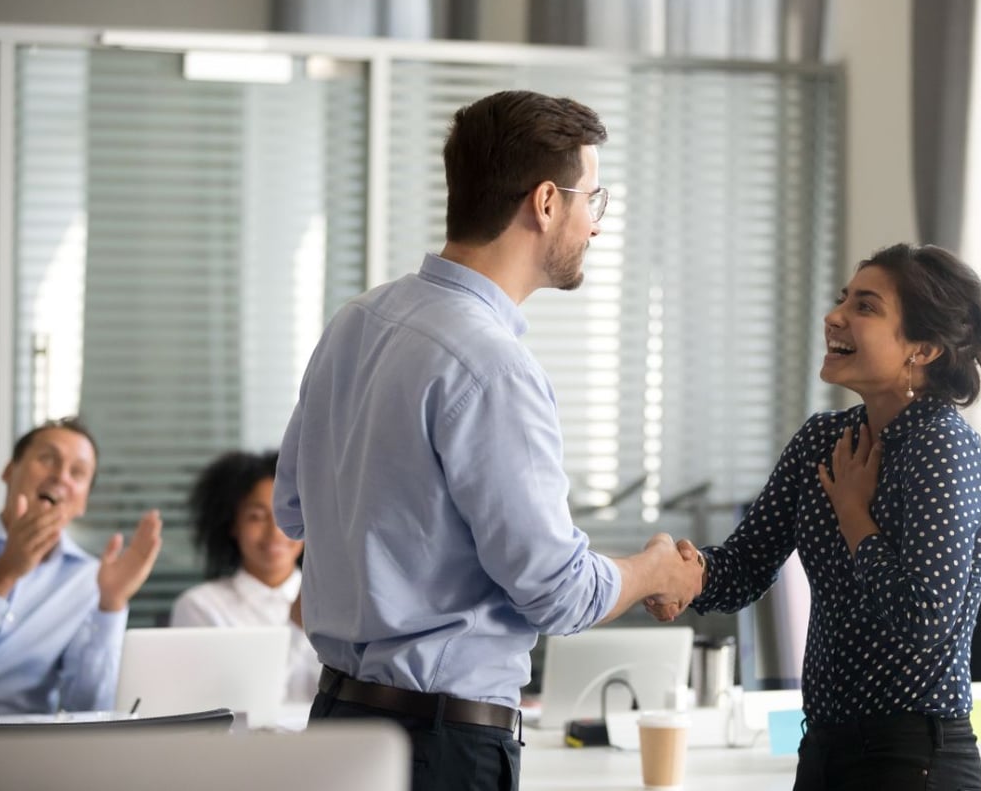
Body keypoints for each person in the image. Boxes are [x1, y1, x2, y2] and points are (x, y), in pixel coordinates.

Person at [275, 89, 703, 791]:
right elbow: (556, 592)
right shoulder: (494, 367)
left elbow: (292, 509)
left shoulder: (358, 320)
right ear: (544, 202)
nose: (595, 225)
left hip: (337, 723)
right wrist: (655, 569)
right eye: (592, 199)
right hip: (440, 746)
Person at [648, 243, 981, 790]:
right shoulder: (823, 438)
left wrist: (855, 518)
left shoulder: (943, 446)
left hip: (913, 758)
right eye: (843, 300)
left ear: (923, 348)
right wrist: (680, 574)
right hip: (822, 750)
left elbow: (924, 618)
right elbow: (743, 567)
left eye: (865, 307)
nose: (833, 317)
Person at [0, 417, 162, 715]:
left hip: (24, 748)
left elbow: (92, 707)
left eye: (77, 473)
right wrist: (6, 571)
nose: (61, 477)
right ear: (9, 470)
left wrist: (111, 604)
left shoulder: (88, 580)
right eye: (47, 459)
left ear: (84, 501)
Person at [170, 449, 319, 705]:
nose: (275, 532)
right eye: (256, 517)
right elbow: (228, 705)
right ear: (232, 524)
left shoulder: (336, 599)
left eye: (288, 517)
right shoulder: (201, 607)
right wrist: (295, 629)